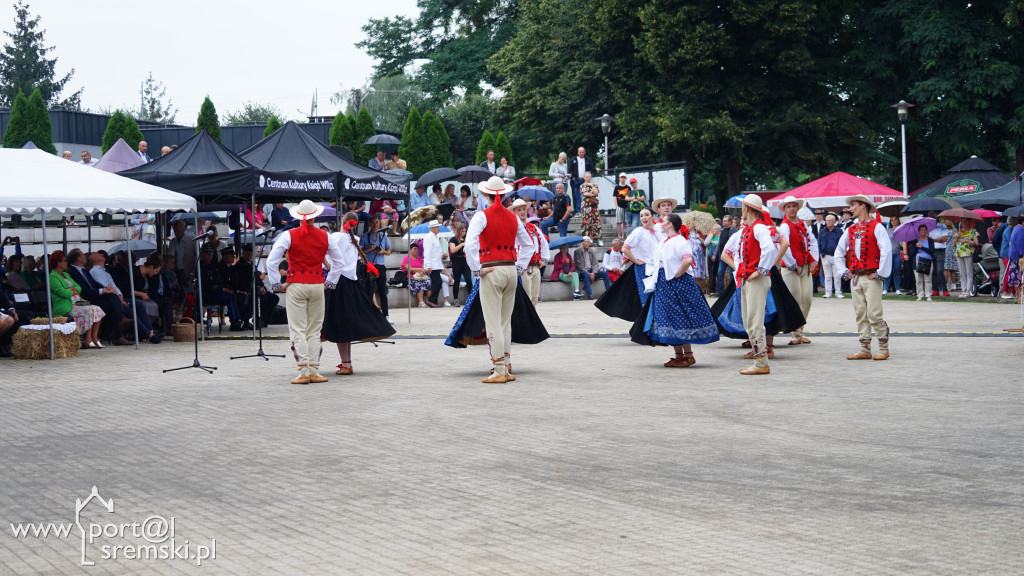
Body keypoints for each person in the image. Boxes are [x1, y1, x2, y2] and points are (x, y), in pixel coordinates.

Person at [266, 200, 345, 384]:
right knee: (314, 329)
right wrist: (330, 282)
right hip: (317, 283)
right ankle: (314, 369)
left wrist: (278, 284)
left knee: (298, 328)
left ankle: (303, 371)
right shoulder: (326, 236)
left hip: (296, 284)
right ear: (314, 216)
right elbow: (339, 263)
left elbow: (271, 261)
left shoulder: (288, 235)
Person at [630, 214, 719, 366]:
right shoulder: (665, 241)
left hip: (677, 283)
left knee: (680, 316)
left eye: (664, 222)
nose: (661, 224)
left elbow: (687, 260)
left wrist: (677, 274)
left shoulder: (679, 241)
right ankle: (679, 355)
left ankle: (688, 355)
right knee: (669, 318)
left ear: (670, 224)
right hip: (664, 283)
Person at [323, 214, 396, 375]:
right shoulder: (354, 238)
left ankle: (346, 363)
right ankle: (347, 363)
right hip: (353, 283)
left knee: (339, 324)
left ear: (342, 220)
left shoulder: (335, 237)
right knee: (346, 323)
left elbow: (328, 258)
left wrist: (328, 268)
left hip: (338, 282)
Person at [834, 194, 892, 361]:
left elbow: (886, 250)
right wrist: (845, 271)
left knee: (874, 313)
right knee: (860, 313)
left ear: (863, 206)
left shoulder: (877, 227)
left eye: (853, 205)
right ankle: (864, 348)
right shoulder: (850, 229)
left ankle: (883, 347)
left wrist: (880, 273)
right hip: (856, 277)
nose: (850, 209)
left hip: (871, 276)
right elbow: (839, 252)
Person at [735, 194, 776, 375]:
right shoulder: (750, 229)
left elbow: (770, 249)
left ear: (747, 208)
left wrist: (760, 270)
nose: (741, 210)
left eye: (743, 207)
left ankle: (761, 363)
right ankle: (759, 359)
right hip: (749, 278)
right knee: (749, 320)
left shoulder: (759, 228)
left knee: (755, 320)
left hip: (757, 279)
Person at [776, 196, 819, 345]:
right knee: (796, 299)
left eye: (794, 206)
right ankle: (795, 333)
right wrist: (793, 265)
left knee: (807, 299)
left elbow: (812, 241)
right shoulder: (784, 226)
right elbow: (784, 246)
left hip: (805, 266)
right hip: (791, 267)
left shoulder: (802, 224)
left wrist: (813, 259)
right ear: (785, 209)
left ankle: (800, 330)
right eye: (789, 206)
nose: (792, 208)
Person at [48, 250, 106, 349]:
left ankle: (95, 338)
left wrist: (72, 290)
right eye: (64, 261)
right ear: (58, 262)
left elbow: (79, 288)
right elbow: (62, 293)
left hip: (78, 301)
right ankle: (88, 339)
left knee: (97, 309)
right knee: (89, 311)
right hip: (67, 304)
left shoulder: (66, 275)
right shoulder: (52, 277)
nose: (66, 263)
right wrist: (72, 291)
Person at [511, 201, 549, 306]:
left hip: (535, 265)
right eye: (519, 210)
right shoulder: (513, 228)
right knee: (526, 296)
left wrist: (544, 259)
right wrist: (519, 265)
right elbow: (513, 248)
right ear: (514, 212)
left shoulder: (533, 227)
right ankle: (526, 321)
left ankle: (532, 320)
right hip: (523, 268)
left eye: (524, 209)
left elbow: (544, 243)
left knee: (535, 297)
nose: (522, 212)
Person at [360, 217, 392, 322]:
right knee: (368, 290)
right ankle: (369, 315)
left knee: (382, 291)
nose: (376, 225)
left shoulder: (383, 236)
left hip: (380, 265)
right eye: (373, 223)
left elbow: (389, 251)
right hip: (369, 266)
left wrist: (382, 252)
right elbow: (360, 252)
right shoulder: (364, 237)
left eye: (377, 222)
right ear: (369, 224)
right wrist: (370, 248)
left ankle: (386, 315)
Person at [817, 214, 844, 298]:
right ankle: (828, 292)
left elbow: (842, 243)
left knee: (837, 276)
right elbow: (819, 243)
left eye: (830, 220)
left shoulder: (839, 231)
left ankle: (838, 292)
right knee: (827, 276)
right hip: (825, 256)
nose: (828, 222)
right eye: (827, 220)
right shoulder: (822, 231)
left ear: (834, 222)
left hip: (836, 256)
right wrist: (820, 253)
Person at [422, 219, 446, 307]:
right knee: (437, 282)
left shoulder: (435, 236)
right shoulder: (429, 237)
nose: (438, 228)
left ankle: (433, 300)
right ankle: (432, 300)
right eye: (436, 227)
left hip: (436, 263)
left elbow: (435, 251)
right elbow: (427, 252)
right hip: (433, 264)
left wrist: (441, 255)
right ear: (432, 228)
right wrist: (428, 266)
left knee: (437, 282)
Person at [449, 224, 473, 306]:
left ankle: (471, 298)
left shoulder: (466, 239)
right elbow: (453, 250)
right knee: (457, 281)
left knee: (468, 280)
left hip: (465, 261)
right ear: (459, 231)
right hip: (456, 261)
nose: (464, 233)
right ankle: (456, 299)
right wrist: (462, 245)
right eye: (462, 231)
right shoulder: (453, 239)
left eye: (465, 231)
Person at [953, 221, 980, 297]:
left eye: (965, 222)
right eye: (962, 222)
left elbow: (976, 243)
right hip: (959, 253)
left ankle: (968, 290)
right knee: (962, 273)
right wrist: (957, 237)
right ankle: (963, 290)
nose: (964, 224)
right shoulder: (959, 231)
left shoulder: (973, 231)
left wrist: (967, 241)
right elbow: (954, 244)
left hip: (968, 253)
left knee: (969, 272)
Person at [569, 147, 597, 213]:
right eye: (580, 152)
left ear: (585, 152)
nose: (581, 153)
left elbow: (592, 167)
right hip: (575, 180)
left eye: (582, 152)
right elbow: (570, 169)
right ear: (578, 152)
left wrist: (596, 169)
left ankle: (583, 211)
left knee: (583, 196)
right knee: (575, 196)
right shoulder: (573, 159)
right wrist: (570, 176)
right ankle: (577, 211)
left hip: (583, 181)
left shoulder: (587, 159)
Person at [402, 243, 431, 307]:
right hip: (411, 277)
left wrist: (422, 272)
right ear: (410, 250)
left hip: (421, 276)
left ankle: (430, 301)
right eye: (414, 249)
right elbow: (409, 269)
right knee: (419, 282)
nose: (416, 250)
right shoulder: (406, 258)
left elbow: (424, 269)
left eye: (417, 249)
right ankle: (421, 302)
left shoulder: (420, 259)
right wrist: (420, 270)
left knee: (428, 282)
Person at [911, 224, 934, 301]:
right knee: (918, 279)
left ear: (926, 231)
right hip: (917, 261)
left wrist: (922, 247)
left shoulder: (930, 240)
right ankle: (920, 295)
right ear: (919, 231)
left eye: (924, 230)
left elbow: (932, 251)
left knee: (928, 279)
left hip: (928, 261)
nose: (923, 231)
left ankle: (928, 295)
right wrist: (916, 247)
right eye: (921, 230)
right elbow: (911, 253)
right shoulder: (915, 241)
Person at [715, 215, 737, 296]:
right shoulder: (723, 230)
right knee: (720, 273)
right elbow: (719, 244)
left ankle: (732, 292)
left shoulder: (734, 230)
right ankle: (720, 292)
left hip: (731, 256)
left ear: (730, 222)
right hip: (722, 256)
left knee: (731, 274)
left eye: (725, 221)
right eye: (723, 221)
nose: (723, 222)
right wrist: (715, 254)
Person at [578, 172, 602, 245]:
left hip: (593, 205)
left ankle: (598, 238)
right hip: (585, 205)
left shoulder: (594, 185)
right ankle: (588, 237)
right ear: (584, 178)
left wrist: (591, 186)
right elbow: (585, 194)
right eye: (587, 177)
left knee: (596, 221)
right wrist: (593, 194)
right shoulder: (582, 185)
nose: (588, 178)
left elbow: (596, 192)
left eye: (589, 176)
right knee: (586, 221)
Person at [928, 215, 950, 296]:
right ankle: (935, 289)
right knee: (933, 271)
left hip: (940, 251)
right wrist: (937, 240)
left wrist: (933, 240)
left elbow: (944, 239)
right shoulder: (928, 227)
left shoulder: (942, 226)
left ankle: (944, 289)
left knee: (940, 270)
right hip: (931, 250)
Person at [883, 216, 903, 295]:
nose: (894, 221)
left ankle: (897, 288)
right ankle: (885, 289)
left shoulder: (901, 230)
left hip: (897, 252)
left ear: (898, 221)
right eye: (892, 220)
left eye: (895, 220)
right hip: (889, 253)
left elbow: (903, 242)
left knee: (896, 271)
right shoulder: (888, 230)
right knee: (888, 272)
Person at [1007, 219, 1024, 303]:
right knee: (1020, 278)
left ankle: (1018, 297)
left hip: (1013, 256)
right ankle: (1020, 297)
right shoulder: (1021, 230)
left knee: (1017, 278)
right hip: (1018, 257)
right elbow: (1021, 244)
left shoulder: (1016, 228)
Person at [705, 224, 721, 295]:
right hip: (710, 256)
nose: (712, 230)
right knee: (711, 273)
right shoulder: (710, 236)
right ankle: (712, 290)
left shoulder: (720, 236)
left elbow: (721, 244)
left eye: (714, 229)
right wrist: (710, 236)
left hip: (719, 257)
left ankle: (719, 290)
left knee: (718, 273)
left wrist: (713, 242)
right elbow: (706, 243)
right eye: (712, 229)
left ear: (718, 231)